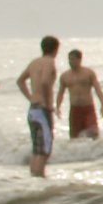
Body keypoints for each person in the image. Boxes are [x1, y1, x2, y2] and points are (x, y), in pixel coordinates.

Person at [16, 36, 61, 177]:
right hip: (42, 110)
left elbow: (20, 81)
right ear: (56, 49)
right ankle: (39, 177)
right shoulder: (49, 62)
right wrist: (48, 104)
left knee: (37, 149)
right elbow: (45, 82)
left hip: (33, 109)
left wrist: (31, 98)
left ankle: (34, 178)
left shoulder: (34, 63)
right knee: (44, 151)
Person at [56, 49, 103, 139]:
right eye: (69, 59)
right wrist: (58, 107)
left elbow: (98, 89)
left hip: (88, 108)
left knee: (93, 134)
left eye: (73, 59)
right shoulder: (65, 76)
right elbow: (61, 93)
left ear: (80, 60)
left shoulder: (88, 73)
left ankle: (94, 149)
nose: (71, 62)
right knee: (75, 137)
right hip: (75, 109)